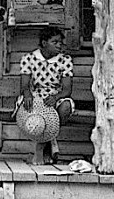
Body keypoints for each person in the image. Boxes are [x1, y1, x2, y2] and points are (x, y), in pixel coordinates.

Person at [19, 26, 74, 164]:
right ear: (44, 43)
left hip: (55, 96)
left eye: (60, 42)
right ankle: (51, 144)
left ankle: (41, 148)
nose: (59, 46)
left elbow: (67, 89)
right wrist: (27, 94)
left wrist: (56, 98)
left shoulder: (65, 60)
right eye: (54, 42)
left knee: (66, 106)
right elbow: (25, 85)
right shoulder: (29, 59)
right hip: (35, 96)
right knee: (35, 114)